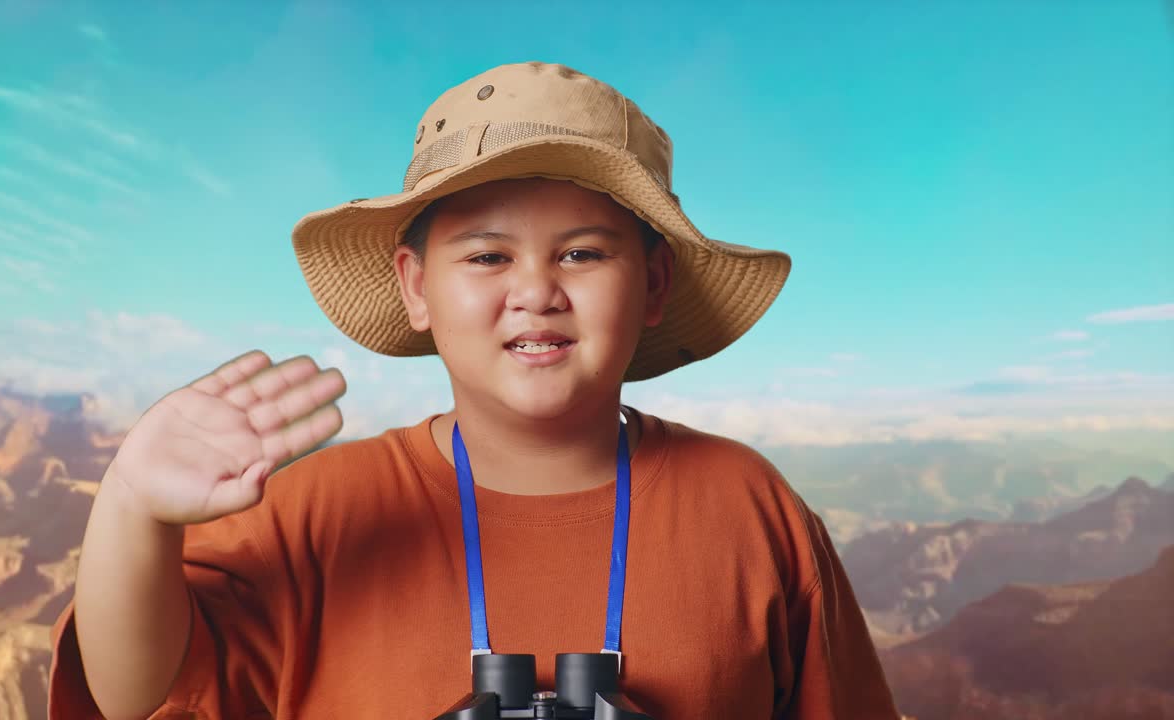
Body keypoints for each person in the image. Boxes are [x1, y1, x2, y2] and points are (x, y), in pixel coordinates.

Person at [47, 61, 900, 719]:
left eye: (584, 253)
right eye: (487, 256)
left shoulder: (749, 508)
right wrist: (131, 504)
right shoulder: (317, 512)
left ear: (653, 285)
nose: (536, 290)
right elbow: (137, 695)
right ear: (416, 287)